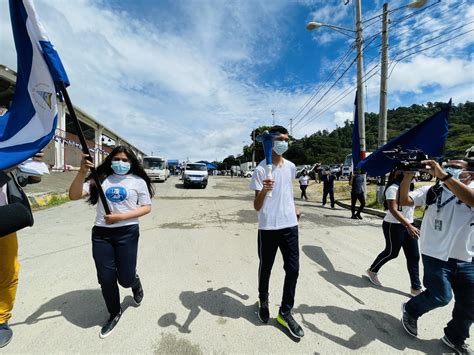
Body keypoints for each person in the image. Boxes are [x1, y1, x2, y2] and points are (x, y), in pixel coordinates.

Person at [69, 146, 154, 339]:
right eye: (117, 159)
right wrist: (82, 171)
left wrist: (121, 217)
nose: (121, 163)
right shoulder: (100, 178)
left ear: (132, 163)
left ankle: (134, 280)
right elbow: (73, 195)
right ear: (110, 160)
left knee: (125, 279)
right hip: (101, 234)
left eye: (125, 160)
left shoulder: (138, 181)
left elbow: (146, 207)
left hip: (128, 233)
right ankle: (114, 312)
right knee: (106, 279)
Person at [399, 159, 473, 354]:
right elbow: (404, 201)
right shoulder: (433, 190)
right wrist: (407, 176)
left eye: (457, 167)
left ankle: (454, 337)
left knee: (470, 303)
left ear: (470, 173)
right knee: (441, 296)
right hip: (435, 253)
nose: (449, 168)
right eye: (448, 165)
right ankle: (411, 309)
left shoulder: (471, 189)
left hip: (466, 257)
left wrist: (444, 176)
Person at [249, 125, 304, 339]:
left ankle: (285, 312)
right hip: (268, 227)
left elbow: (287, 192)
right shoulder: (261, 169)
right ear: (271, 142)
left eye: (287, 139)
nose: (285, 143)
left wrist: (294, 207)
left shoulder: (290, 166)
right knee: (266, 268)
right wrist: (264, 189)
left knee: (293, 270)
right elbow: (256, 205)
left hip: (290, 225)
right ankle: (263, 299)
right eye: (281, 139)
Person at [0, 152, 44, 348]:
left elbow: (29, 178)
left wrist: (31, 160)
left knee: (9, 270)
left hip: (4, 220)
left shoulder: (7, 151)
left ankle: (1, 319)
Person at [366, 170, 422, 296]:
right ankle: (372, 270)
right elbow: (392, 209)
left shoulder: (411, 188)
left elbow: (413, 206)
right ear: (399, 175)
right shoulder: (393, 188)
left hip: (409, 224)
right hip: (394, 225)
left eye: (413, 175)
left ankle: (416, 287)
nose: (413, 177)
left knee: (414, 256)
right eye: (410, 174)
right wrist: (408, 225)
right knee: (392, 252)